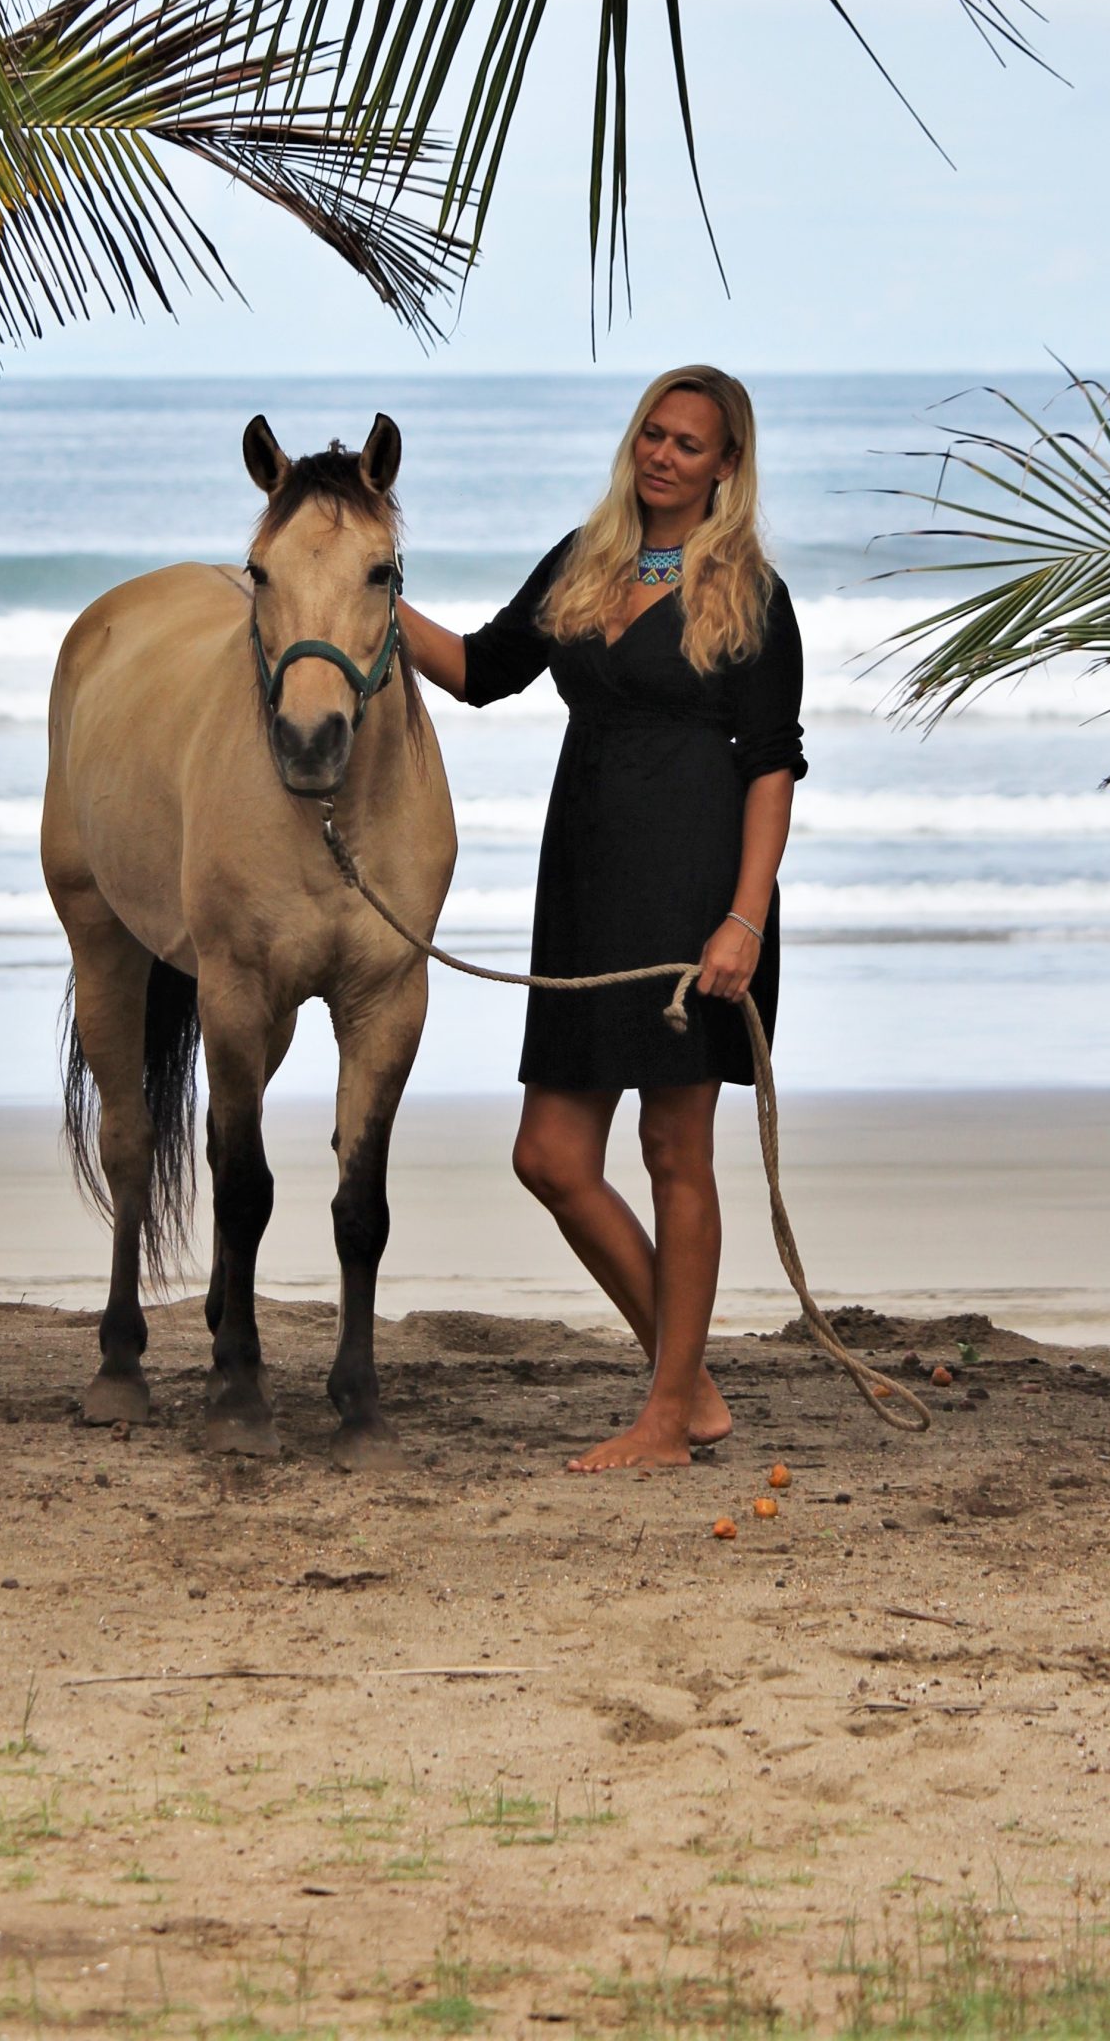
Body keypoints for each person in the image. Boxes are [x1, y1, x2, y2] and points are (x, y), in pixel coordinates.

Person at [399, 366, 806, 1472]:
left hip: (693, 892)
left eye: (687, 442)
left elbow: (771, 772)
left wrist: (743, 921)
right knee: (549, 1154)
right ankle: (691, 1384)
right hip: (581, 886)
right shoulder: (584, 559)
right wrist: (361, 598)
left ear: (726, 463)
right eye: (651, 434)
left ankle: (666, 1418)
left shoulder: (752, 597)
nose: (662, 454)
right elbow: (482, 671)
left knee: (676, 1147)